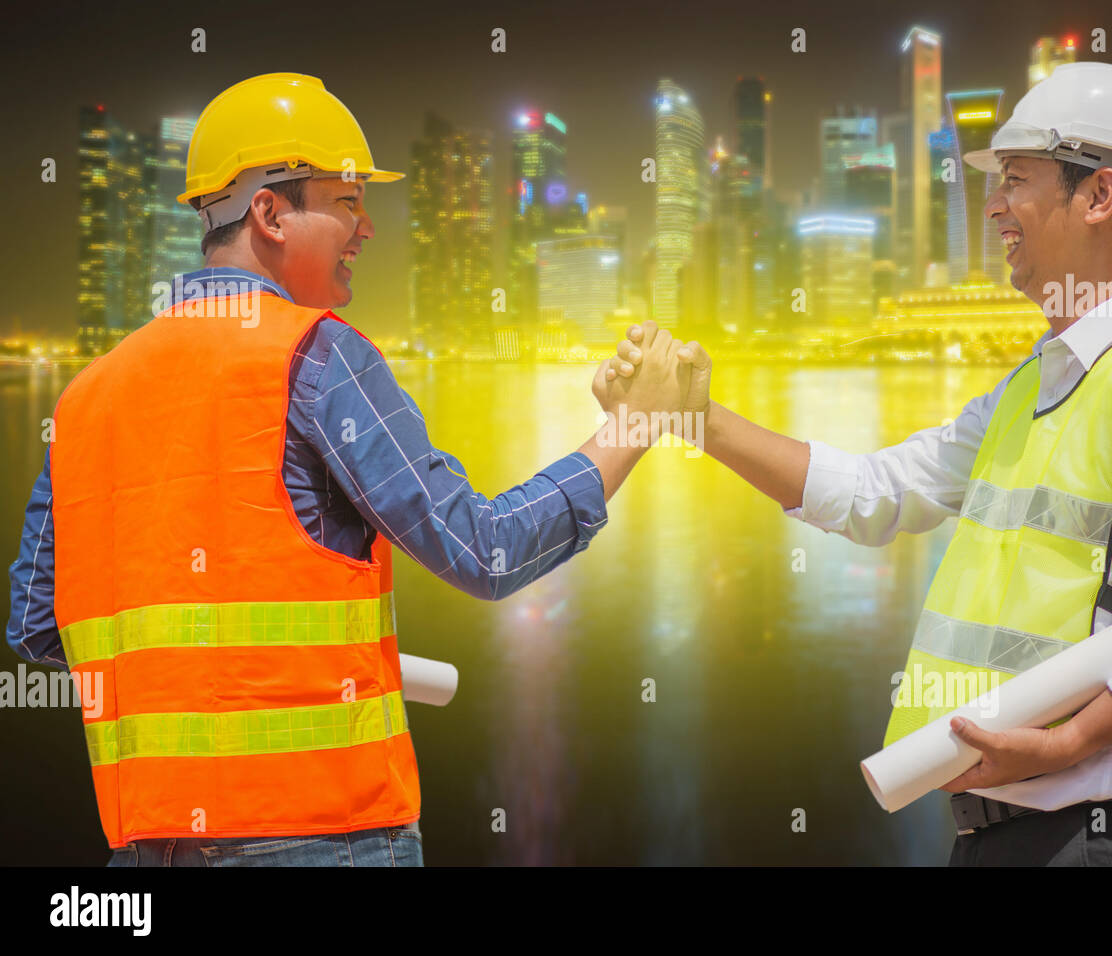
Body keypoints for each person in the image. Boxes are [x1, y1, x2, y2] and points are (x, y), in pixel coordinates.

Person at [4, 73, 693, 867]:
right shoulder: (317, 357)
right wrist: (634, 423)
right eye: (347, 202)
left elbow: (37, 625)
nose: (367, 228)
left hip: (144, 854)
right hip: (324, 839)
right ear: (269, 213)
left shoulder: (86, 396)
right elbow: (486, 549)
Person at [607, 62, 1112, 866]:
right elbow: (873, 494)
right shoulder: (1033, 388)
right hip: (1003, 833)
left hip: (1094, 837)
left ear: (1099, 197)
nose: (994, 205)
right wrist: (691, 416)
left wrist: (1065, 746)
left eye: (1017, 180)